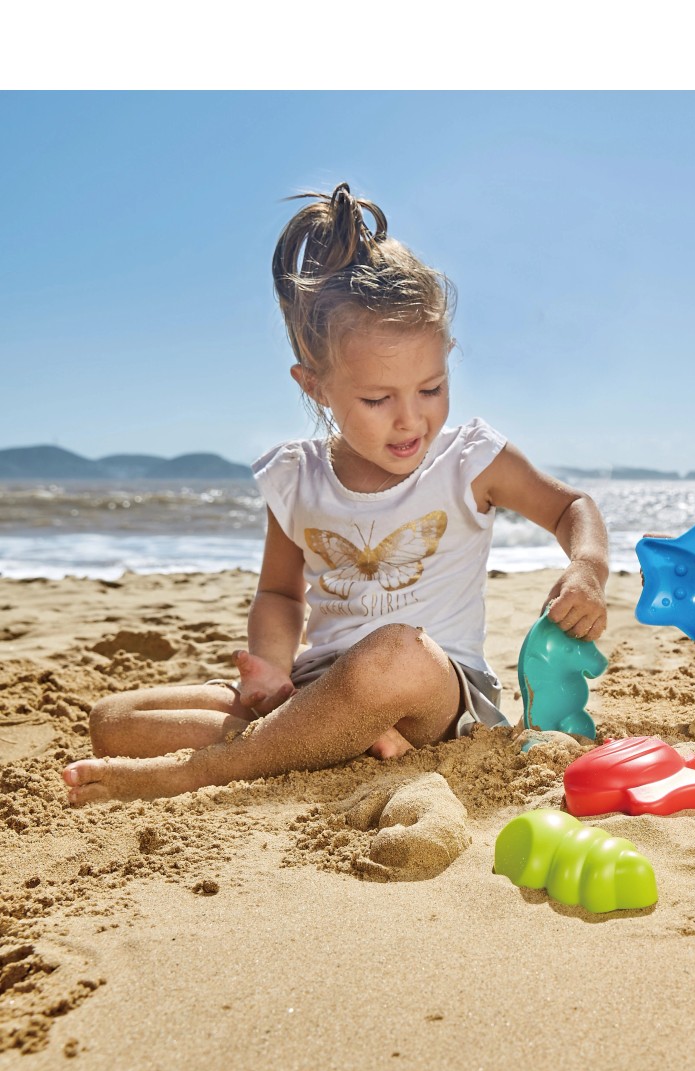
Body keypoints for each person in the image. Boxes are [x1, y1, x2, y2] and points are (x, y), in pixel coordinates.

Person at [62, 183, 609, 806]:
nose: (411, 420)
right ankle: (314, 736)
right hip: (317, 686)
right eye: (377, 400)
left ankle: (210, 771)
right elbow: (277, 591)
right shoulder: (297, 478)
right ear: (316, 386)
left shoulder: (471, 460)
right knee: (113, 721)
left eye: (430, 388)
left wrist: (586, 567)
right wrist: (271, 668)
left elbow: (571, 508)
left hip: (433, 688)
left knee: (394, 651)